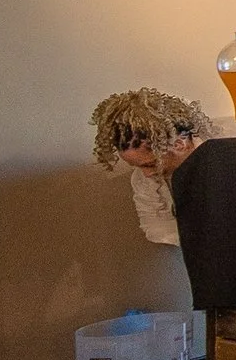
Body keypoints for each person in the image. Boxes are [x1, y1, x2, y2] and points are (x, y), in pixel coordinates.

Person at [91, 89, 213, 245]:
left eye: (151, 164)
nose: (146, 174)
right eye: (135, 166)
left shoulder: (228, 160)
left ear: (179, 144)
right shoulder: (143, 181)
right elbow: (155, 227)